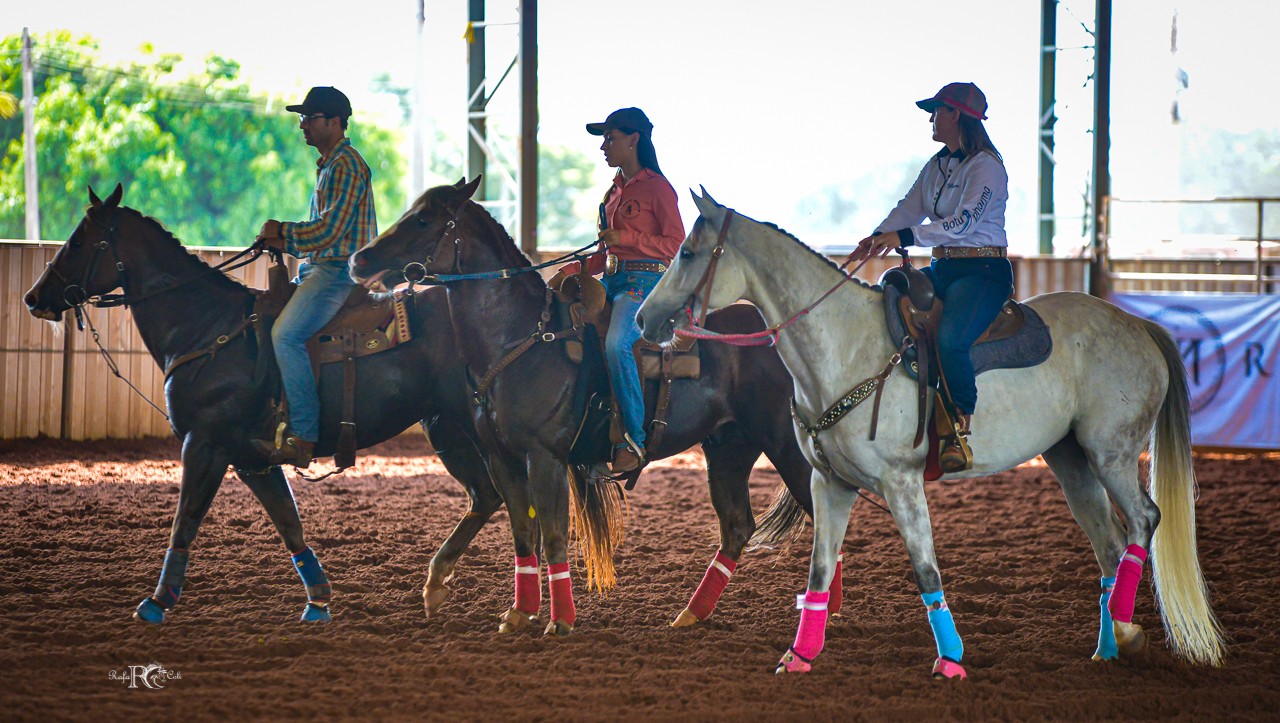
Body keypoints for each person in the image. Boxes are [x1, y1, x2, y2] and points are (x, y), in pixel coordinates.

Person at [849, 82, 1013, 472]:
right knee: (890, 291)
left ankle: (959, 425)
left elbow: (963, 223)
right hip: (946, 267)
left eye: (937, 110)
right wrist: (876, 237)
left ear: (956, 115)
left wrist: (903, 237)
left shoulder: (987, 167)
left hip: (984, 271)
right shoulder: (937, 165)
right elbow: (910, 208)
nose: (931, 117)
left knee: (952, 338)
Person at [251, 86, 378, 467]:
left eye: (309, 118)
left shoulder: (346, 166)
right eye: (302, 118)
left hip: (338, 272)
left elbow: (328, 233)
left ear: (334, 122)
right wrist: (283, 236)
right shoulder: (332, 165)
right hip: (323, 267)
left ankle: (303, 435)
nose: (302, 125)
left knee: (286, 335)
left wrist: (282, 232)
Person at [556, 108, 686, 473]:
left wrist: (628, 238)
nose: (603, 146)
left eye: (610, 138)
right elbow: (604, 254)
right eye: (603, 138)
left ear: (634, 140)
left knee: (617, 343)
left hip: (646, 283)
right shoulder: (612, 192)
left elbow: (677, 244)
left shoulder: (658, 189)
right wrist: (570, 269)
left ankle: (633, 440)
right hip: (612, 280)